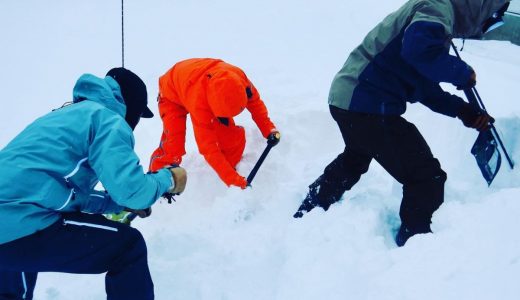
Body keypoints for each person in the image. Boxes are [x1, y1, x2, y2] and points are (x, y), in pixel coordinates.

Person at [294, 0, 510, 246]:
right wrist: (461, 72)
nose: (486, 26)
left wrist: (463, 111)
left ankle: (311, 206)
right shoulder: (436, 8)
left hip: (349, 99)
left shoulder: (437, 19)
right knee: (427, 177)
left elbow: (425, 87)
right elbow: (418, 51)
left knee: (357, 155)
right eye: (491, 18)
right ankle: (416, 246)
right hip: (367, 104)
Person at [0, 68, 187, 299]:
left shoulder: (60, 117)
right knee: (128, 247)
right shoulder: (107, 119)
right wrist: (168, 179)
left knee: (13, 273)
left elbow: (62, 193)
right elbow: (133, 191)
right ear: (131, 106)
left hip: (12, 216)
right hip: (24, 219)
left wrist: (115, 204)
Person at [149, 58, 280, 189]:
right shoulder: (199, 104)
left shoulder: (239, 80)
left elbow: (256, 105)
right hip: (171, 93)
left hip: (196, 82)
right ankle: (156, 183)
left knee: (229, 138)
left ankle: (231, 165)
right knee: (173, 144)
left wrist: (269, 129)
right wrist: (234, 181)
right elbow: (208, 148)